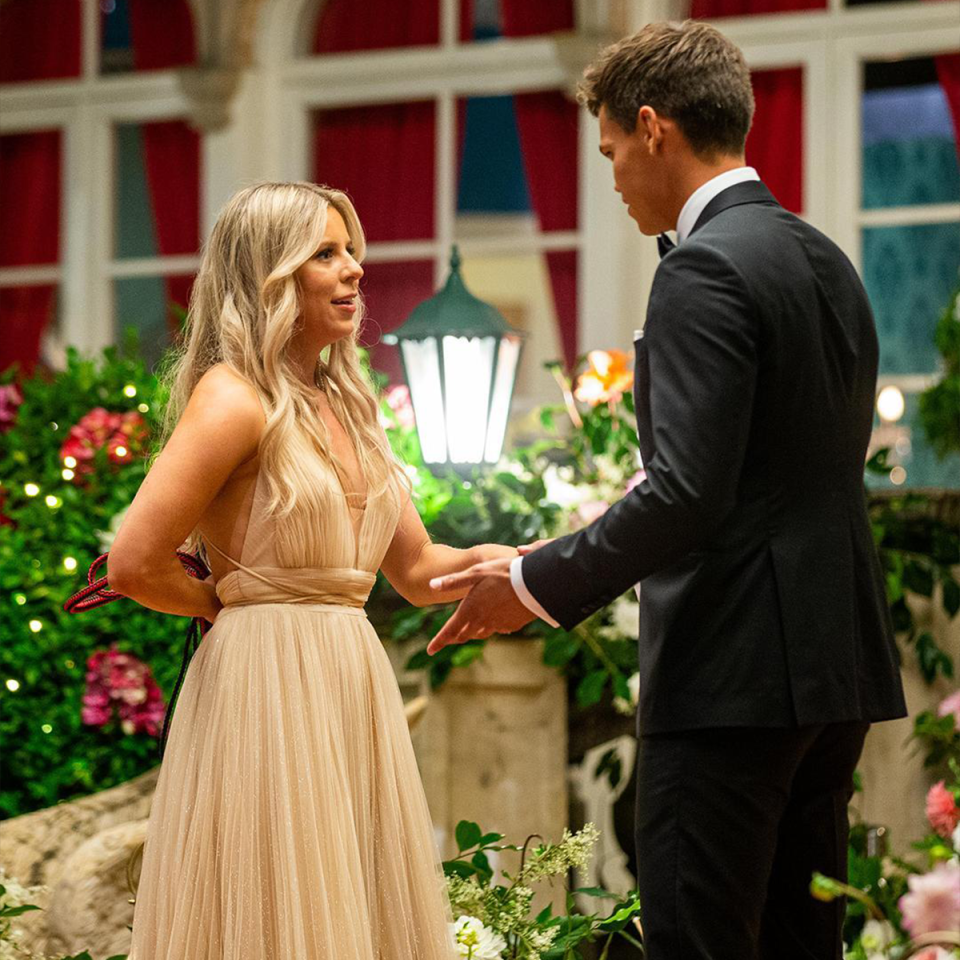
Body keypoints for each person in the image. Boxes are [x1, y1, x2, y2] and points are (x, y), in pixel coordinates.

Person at [427, 20, 907, 960]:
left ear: (654, 128)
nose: (610, 180)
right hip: (831, 669)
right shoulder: (828, 264)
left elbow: (688, 492)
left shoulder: (703, 268)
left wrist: (531, 585)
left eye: (610, 151)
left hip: (730, 678)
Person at [108, 180, 516, 959]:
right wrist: (225, 607)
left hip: (348, 679)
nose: (355, 270)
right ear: (270, 273)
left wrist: (515, 564)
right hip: (260, 686)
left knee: (347, 912)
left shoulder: (354, 406)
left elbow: (419, 570)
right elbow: (132, 562)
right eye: (326, 253)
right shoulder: (233, 398)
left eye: (352, 250)